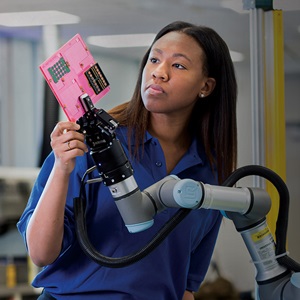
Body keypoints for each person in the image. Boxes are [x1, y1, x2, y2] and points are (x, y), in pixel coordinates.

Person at [17, 20, 237, 300]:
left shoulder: (210, 172)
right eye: (154, 59)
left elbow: (184, 286)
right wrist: (62, 168)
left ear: (206, 86)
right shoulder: (91, 143)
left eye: (178, 65)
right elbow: (41, 253)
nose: (159, 73)